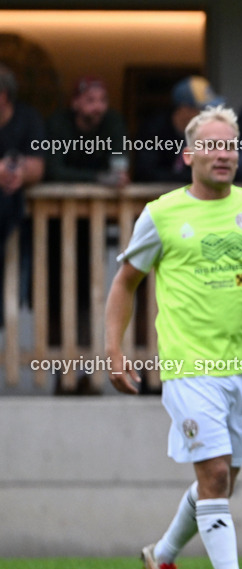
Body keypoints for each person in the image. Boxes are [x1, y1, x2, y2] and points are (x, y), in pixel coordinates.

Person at [104, 105, 242, 569]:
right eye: (212, 145)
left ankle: (162, 555)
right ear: (188, 154)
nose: (223, 154)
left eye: (231, 145)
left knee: (222, 482)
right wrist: (114, 349)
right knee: (213, 475)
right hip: (188, 366)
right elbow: (125, 281)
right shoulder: (161, 213)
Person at [45, 78, 129, 388]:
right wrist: (97, 178)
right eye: (91, 100)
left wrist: (111, 178)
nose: (98, 107)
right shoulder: (58, 125)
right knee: (54, 296)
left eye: (102, 100)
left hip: (92, 227)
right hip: (54, 227)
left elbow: (120, 165)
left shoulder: (113, 123)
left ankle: (83, 374)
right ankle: (59, 372)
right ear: (76, 103)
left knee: (89, 296)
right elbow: (53, 169)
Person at [0, 63, 46, 326]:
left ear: (3, 96)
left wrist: (18, 173)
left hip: (17, 222)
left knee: (18, 292)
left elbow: (37, 166)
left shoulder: (28, 119)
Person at [135, 76, 224, 183]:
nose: (208, 115)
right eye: (203, 109)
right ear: (184, 109)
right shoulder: (154, 129)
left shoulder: (207, 132)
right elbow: (146, 172)